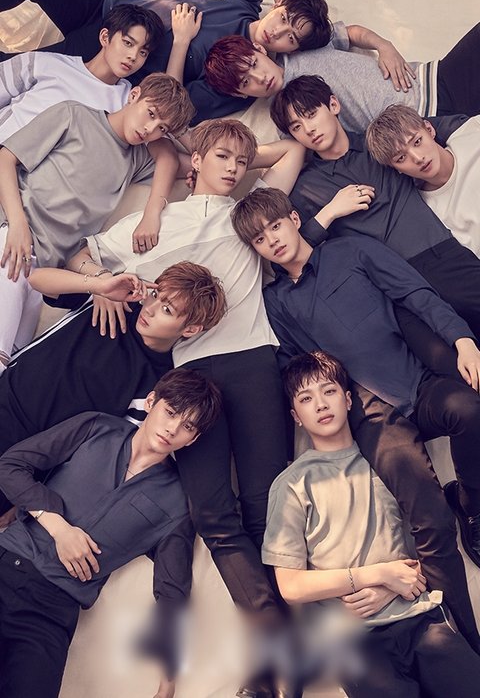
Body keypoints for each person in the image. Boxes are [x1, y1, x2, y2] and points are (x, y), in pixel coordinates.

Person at [58, 117, 309, 697]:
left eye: (241, 162)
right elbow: (76, 256)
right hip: (189, 376)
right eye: (221, 157)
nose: (234, 169)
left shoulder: (245, 215)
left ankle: (274, 667)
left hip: (251, 360)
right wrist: (107, 280)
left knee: (263, 509)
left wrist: (237, 151)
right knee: (212, 515)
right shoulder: (152, 224)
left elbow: (291, 149)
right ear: (196, 159)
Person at [231, 185, 480, 652]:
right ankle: (469, 648)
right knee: (429, 521)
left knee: (469, 408)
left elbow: (415, 293)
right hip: (371, 415)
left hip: (417, 382)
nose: (272, 240)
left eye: (275, 226)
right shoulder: (277, 301)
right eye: (259, 239)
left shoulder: (352, 251)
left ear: (294, 219)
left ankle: (472, 500)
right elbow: (298, 369)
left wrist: (462, 340)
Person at [262, 350, 480, 697]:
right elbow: (290, 586)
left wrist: (391, 585)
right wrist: (374, 575)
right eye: (306, 398)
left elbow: (427, 541)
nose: (321, 404)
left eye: (329, 391)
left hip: (420, 618)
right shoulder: (291, 484)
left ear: (348, 399)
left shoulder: (388, 461)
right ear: (296, 417)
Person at [0, 366, 222, 698]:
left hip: (50, 613)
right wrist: (59, 528)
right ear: (151, 402)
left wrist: (168, 677)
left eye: (187, 426)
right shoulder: (95, 427)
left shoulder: (177, 503)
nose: (173, 428)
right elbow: (10, 466)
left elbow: (172, 587)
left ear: (193, 438)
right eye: (171, 412)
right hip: (7, 564)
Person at [271, 74, 480, 377]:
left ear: (333, 104)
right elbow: (286, 256)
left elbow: (429, 131)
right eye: (296, 127)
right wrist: (330, 212)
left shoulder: (381, 142)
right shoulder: (305, 188)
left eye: (311, 114)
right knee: (460, 373)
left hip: (440, 256)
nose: (309, 129)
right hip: (394, 293)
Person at [0, 71, 194, 373]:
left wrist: (175, 135)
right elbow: (5, 159)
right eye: (151, 113)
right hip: (11, 237)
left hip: (41, 272)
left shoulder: (136, 159)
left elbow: (199, 161)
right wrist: (17, 224)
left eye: (162, 128)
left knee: (12, 367)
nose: (150, 129)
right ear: (134, 96)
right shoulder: (73, 115)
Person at [0, 259, 226, 512]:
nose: (150, 309)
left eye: (167, 309)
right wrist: (99, 286)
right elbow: (36, 279)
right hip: (7, 394)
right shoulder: (115, 301)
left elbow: (104, 447)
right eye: (154, 295)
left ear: (191, 329)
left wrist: (27, 495)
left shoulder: (158, 383)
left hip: (31, 454)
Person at [0, 0, 330, 124]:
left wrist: (182, 40)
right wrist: (288, 1)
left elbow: (176, 105)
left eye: (290, 39)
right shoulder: (244, 5)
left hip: (103, 52)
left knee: (12, 70)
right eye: (283, 18)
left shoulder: (237, 77)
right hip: (106, 7)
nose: (277, 32)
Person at [204, 16, 480, 133]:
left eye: (254, 64)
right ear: (240, 93)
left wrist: (384, 45)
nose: (260, 78)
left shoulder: (301, 47)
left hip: (433, 79)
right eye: (246, 82)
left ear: (259, 49)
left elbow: (352, 33)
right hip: (425, 125)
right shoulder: (285, 117)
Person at [0, 3, 165, 142]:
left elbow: (167, 110)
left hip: (38, 169)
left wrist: (178, 42)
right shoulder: (45, 63)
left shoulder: (130, 102)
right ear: (105, 37)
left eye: (143, 52)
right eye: (128, 43)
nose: (133, 56)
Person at [366, 104, 480, 258]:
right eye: (401, 158)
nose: (418, 158)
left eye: (417, 142)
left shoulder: (472, 129)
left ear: (429, 129)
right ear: (396, 169)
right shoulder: (429, 214)